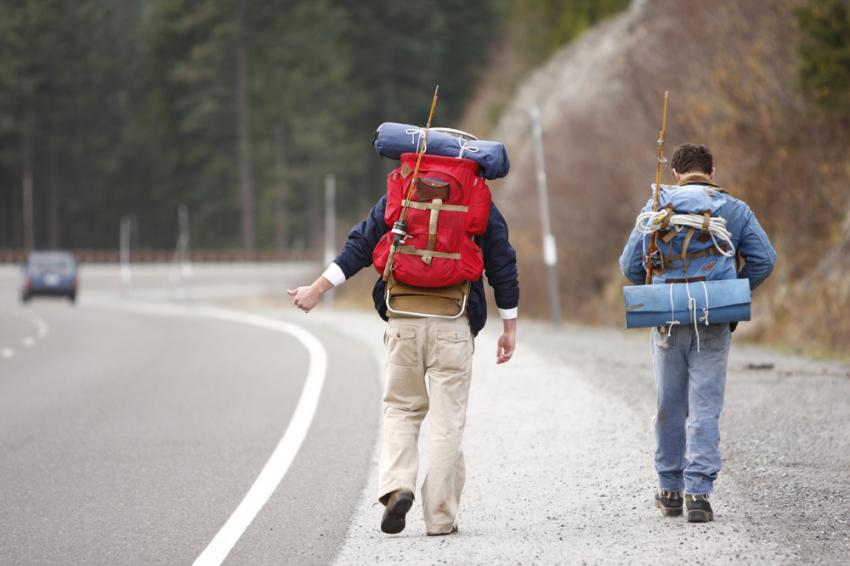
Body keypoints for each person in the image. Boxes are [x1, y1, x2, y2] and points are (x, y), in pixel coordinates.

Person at [287, 186, 519, 536]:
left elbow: (360, 246)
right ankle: (440, 518)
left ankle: (398, 486)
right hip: (453, 325)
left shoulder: (403, 191)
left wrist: (318, 288)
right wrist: (509, 326)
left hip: (403, 321)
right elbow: (502, 263)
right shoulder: (477, 198)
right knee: (447, 423)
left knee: (401, 410)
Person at [619, 143, 776, 522]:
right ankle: (699, 497)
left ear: (675, 174)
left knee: (669, 404)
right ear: (712, 171)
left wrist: (658, 286)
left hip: (668, 318)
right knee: (705, 406)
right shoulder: (734, 210)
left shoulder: (657, 208)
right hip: (713, 317)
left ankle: (670, 490)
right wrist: (731, 293)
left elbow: (629, 265)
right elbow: (765, 260)